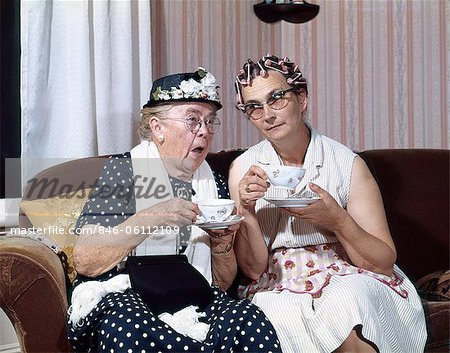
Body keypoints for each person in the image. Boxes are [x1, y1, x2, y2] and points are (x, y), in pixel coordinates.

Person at [67, 67, 282, 353]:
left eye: (209, 121)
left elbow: (220, 283)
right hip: (128, 294)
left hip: (195, 297)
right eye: (193, 120)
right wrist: (156, 214)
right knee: (129, 327)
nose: (204, 131)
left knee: (249, 320)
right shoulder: (122, 172)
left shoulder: (214, 182)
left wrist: (220, 243)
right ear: (157, 128)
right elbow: (86, 260)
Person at [228, 54, 427, 353]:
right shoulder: (243, 169)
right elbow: (254, 270)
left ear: (302, 98)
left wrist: (335, 219)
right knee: (276, 311)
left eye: (277, 98)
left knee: (346, 299)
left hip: (346, 271)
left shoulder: (347, 164)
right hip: (277, 280)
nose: (268, 114)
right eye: (254, 108)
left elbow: (383, 262)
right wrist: (246, 210)